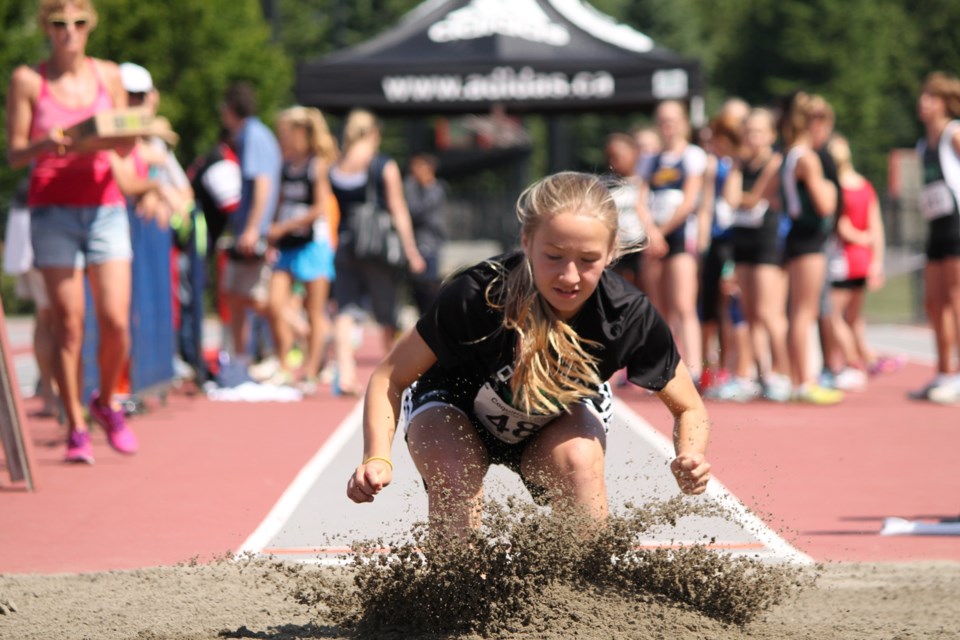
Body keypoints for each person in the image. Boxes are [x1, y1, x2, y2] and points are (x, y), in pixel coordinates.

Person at [346, 171, 712, 539]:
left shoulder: (628, 315)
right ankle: (457, 588)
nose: (569, 276)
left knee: (580, 465)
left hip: (556, 416)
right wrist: (377, 457)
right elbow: (389, 377)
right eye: (553, 256)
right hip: (454, 403)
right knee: (453, 472)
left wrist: (690, 455)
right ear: (526, 241)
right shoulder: (477, 294)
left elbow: (689, 407)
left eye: (588, 260)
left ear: (612, 251)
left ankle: (582, 586)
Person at [5, 0, 138, 463]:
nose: (69, 31)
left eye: (78, 22)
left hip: (105, 206)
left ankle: (106, 403)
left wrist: (131, 138)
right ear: (47, 27)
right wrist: (48, 144)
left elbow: (125, 139)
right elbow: (15, 154)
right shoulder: (28, 80)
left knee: (117, 320)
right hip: (52, 209)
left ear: (90, 26)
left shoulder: (111, 76)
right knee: (69, 326)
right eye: (60, 23)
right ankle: (77, 425)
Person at [329, 109, 425, 396]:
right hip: (377, 246)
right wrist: (410, 248)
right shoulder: (382, 165)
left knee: (345, 310)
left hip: (346, 242)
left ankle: (345, 374)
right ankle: (393, 376)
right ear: (374, 134)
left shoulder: (336, 167)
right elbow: (397, 208)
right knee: (388, 311)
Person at [264, 106, 339, 392]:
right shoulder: (285, 165)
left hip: (313, 245)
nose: (282, 139)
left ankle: (309, 371)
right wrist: (273, 230)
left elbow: (321, 207)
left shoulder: (316, 165)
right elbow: (279, 201)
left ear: (300, 134)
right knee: (274, 303)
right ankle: (284, 364)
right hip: (287, 245)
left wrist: (287, 225)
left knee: (313, 308)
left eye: (285, 134)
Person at [777, 92, 843, 404]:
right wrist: (831, 185)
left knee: (798, 311)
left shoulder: (790, 154)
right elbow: (826, 204)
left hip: (797, 239)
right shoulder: (807, 157)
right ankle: (804, 380)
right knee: (804, 311)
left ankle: (799, 379)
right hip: (809, 240)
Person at [637, 100, 708, 385]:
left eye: (673, 120)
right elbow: (640, 200)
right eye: (662, 120)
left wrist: (663, 232)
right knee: (658, 307)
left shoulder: (692, 156)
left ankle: (694, 369)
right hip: (654, 238)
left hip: (678, 237)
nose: (668, 126)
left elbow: (690, 200)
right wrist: (652, 232)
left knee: (683, 303)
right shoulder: (650, 160)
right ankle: (664, 366)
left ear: (683, 122)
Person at [728, 108, 791, 402]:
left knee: (769, 312)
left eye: (758, 132)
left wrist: (746, 198)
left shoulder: (776, 162)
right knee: (750, 313)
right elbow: (731, 200)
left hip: (767, 241)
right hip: (743, 241)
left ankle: (783, 372)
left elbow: (753, 198)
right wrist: (738, 173)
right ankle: (761, 373)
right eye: (748, 132)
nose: (752, 138)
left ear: (771, 135)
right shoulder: (738, 164)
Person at [217, 81, 282, 362]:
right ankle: (242, 358)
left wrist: (253, 228)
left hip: (253, 231)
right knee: (236, 294)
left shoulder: (253, 135)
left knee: (256, 298)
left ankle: (298, 334)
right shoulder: (255, 134)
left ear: (231, 108)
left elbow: (263, 184)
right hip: (253, 228)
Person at [824, 134, 888, 391]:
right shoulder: (865, 185)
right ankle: (867, 357)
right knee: (854, 317)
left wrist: (860, 239)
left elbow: (842, 225)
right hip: (862, 258)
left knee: (832, 314)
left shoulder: (838, 187)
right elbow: (876, 226)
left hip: (844, 258)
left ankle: (854, 363)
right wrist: (876, 258)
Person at [915, 71, 960, 403]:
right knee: (934, 302)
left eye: (930, 96)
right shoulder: (922, 144)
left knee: (957, 299)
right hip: (936, 226)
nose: (923, 101)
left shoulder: (953, 134)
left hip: (957, 223)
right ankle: (944, 372)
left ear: (944, 102)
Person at [403, 153, 448, 316]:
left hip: (430, 243)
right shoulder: (412, 187)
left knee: (429, 286)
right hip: (417, 243)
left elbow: (416, 211)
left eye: (418, 166)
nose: (413, 170)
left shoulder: (435, 189)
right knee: (417, 287)